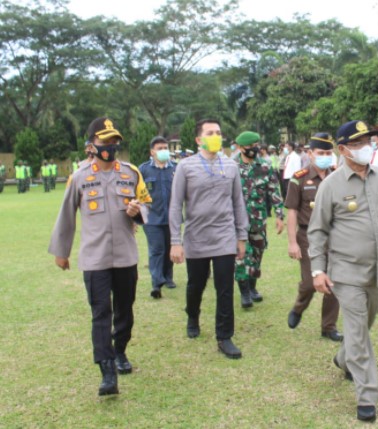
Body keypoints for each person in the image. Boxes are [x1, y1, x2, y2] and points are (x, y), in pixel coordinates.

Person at [308, 120, 378, 423]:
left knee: (367, 321)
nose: (365, 148)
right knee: (357, 331)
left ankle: (343, 358)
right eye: (356, 144)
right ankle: (367, 395)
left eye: (367, 141)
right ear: (342, 150)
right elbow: (316, 232)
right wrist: (318, 270)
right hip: (346, 272)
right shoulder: (332, 185)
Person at [48, 117, 152, 396]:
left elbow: (146, 207)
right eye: (105, 141)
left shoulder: (130, 174)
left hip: (126, 257)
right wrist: (62, 251)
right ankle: (107, 370)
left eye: (114, 141)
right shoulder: (80, 177)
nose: (110, 146)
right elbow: (66, 214)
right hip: (95, 259)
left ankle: (120, 351)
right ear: (91, 145)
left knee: (125, 310)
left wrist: (137, 212)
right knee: (100, 313)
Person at [169, 118, 249, 359]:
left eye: (218, 132)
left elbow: (238, 202)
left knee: (225, 287)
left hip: (224, 235)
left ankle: (224, 336)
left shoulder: (231, 166)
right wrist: (175, 241)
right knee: (196, 284)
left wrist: (241, 236)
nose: (215, 136)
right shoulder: (185, 166)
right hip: (196, 237)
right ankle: (192, 315)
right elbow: (175, 205)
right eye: (210, 132)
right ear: (198, 139)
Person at [285, 133, 342, 342]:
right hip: (307, 236)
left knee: (334, 281)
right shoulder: (298, 178)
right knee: (310, 282)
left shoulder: (338, 176)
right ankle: (299, 307)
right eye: (321, 153)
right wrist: (292, 243)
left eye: (329, 152)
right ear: (310, 154)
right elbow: (291, 211)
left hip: (334, 236)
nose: (325, 156)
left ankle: (328, 326)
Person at [233, 131, 285, 308]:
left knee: (257, 254)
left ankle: (253, 286)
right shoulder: (231, 166)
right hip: (236, 222)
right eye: (250, 147)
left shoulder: (265, 166)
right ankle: (244, 292)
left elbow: (274, 190)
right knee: (241, 256)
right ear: (240, 148)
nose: (254, 149)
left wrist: (279, 214)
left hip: (258, 220)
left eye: (256, 145)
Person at [139, 136, 177, 299]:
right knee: (157, 250)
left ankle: (168, 277)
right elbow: (137, 193)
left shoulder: (175, 169)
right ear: (152, 152)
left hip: (172, 218)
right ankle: (156, 283)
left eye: (165, 148)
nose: (164, 151)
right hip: (151, 218)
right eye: (160, 148)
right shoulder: (144, 170)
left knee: (170, 249)